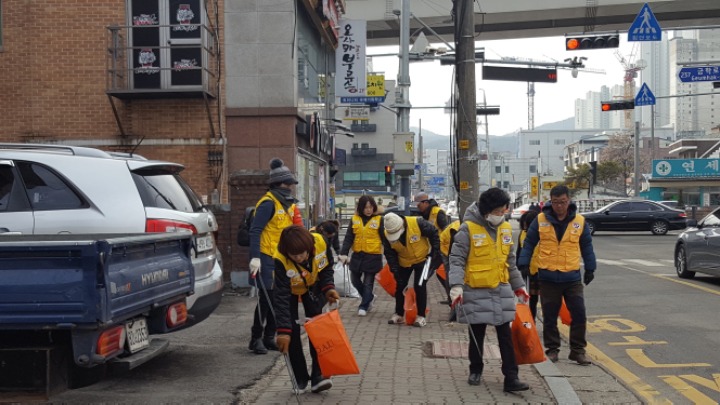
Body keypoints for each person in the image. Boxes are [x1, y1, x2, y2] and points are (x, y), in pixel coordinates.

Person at [447, 188, 530, 392]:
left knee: (505, 336)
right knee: (477, 334)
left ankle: (511, 377)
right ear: (487, 210)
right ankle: (475, 369)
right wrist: (456, 286)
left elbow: (510, 263)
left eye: (503, 210)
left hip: (500, 289)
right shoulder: (467, 229)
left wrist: (519, 287)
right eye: (497, 211)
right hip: (475, 289)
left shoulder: (506, 229)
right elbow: (456, 260)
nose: (501, 214)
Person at [517, 185, 597, 366]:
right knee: (550, 316)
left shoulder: (579, 221)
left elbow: (586, 246)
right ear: (550, 202)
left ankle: (578, 351)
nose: (559, 206)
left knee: (579, 314)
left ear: (569, 201)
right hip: (548, 277)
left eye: (563, 202)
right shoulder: (540, 219)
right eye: (555, 202)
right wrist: (523, 263)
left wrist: (590, 268)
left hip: (572, 277)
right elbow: (529, 242)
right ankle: (552, 349)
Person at [273, 225, 340, 394]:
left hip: (313, 286)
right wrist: (283, 331)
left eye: (302, 254)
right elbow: (281, 297)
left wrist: (328, 288)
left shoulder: (321, 242)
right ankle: (300, 378)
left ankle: (319, 375)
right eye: (294, 256)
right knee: (291, 332)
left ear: (309, 247)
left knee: (318, 329)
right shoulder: (280, 260)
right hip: (289, 291)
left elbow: (326, 268)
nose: (299, 258)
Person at [247, 158, 300, 355]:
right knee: (265, 299)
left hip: (280, 258)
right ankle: (256, 338)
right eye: (288, 184)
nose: (290, 188)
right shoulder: (268, 203)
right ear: (279, 184)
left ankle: (269, 336)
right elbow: (255, 231)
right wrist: (255, 257)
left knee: (278, 299)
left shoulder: (287, 205)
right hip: (265, 257)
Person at [382, 212, 441, 327]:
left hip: (422, 259)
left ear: (402, 226)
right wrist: (395, 270)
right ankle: (399, 314)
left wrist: (433, 254)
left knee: (420, 285)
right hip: (403, 261)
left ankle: (421, 316)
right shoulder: (386, 234)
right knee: (400, 285)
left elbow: (434, 234)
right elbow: (389, 254)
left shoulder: (418, 223)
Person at [338, 196, 384, 316]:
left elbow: (384, 239)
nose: (368, 210)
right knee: (354, 280)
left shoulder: (379, 219)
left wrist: (391, 255)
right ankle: (369, 297)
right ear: (361, 208)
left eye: (370, 207)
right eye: (365, 207)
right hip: (358, 255)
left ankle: (363, 306)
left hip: (373, 256)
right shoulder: (354, 219)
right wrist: (344, 253)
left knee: (368, 282)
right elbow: (349, 237)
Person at [414, 192, 450, 302]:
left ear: (425, 203)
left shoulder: (438, 213)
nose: (417, 207)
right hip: (432, 250)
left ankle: (418, 300)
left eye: (419, 204)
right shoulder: (425, 214)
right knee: (441, 274)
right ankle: (451, 298)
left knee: (424, 276)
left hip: (440, 250)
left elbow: (446, 230)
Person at [517, 210, 540, 320]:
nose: (525, 227)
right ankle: (531, 320)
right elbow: (519, 251)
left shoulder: (543, 234)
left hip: (541, 271)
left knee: (546, 300)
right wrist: (520, 266)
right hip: (528, 272)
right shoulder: (522, 234)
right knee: (532, 299)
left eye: (527, 225)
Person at [439, 219, 461, 321]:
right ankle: (453, 307)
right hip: (446, 250)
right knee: (452, 278)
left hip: (453, 248)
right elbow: (453, 252)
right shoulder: (456, 229)